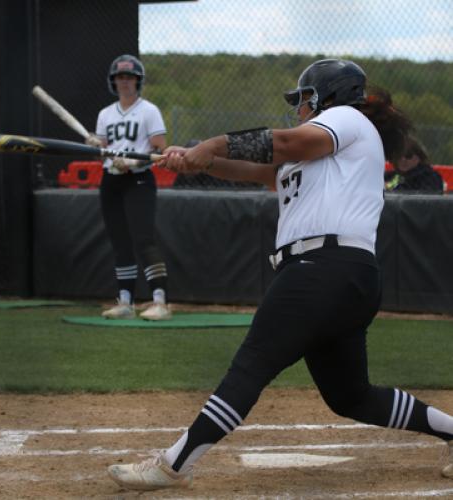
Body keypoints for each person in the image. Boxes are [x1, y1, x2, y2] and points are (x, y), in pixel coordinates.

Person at [106, 59, 453, 490]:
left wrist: (214, 142)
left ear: (328, 97)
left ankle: (174, 463)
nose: (299, 108)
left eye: (305, 99)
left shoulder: (347, 119)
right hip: (343, 278)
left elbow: (286, 142)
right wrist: (200, 160)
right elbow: (259, 170)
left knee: (251, 365)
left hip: (323, 268)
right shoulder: (320, 155)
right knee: (351, 397)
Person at [85, 54, 171, 321]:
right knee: (119, 242)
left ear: (138, 81)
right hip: (111, 181)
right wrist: (95, 146)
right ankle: (125, 302)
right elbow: (101, 151)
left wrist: (132, 161)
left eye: (130, 77)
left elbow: (160, 149)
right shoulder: (105, 114)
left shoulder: (149, 110)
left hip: (139, 180)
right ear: (114, 82)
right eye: (120, 77)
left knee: (143, 239)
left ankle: (160, 302)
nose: (125, 82)